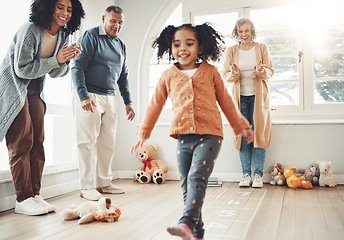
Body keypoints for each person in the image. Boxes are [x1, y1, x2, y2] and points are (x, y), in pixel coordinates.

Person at [130, 23, 254, 240]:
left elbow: (226, 103)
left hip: (210, 135)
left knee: (197, 177)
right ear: (171, 48)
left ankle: (186, 222)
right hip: (183, 138)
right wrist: (143, 131)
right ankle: (197, 232)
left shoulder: (211, 72)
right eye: (177, 44)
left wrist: (241, 126)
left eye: (189, 43)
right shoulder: (168, 75)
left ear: (201, 47)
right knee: (187, 185)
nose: (182, 48)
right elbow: (155, 105)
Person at [0, 0, 84, 216]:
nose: (65, 13)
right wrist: (56, 59)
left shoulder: (63, 36)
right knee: (22, 142)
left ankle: (35, 194)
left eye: (69, 9)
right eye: (60, 7)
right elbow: (21, 69)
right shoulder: (30, 30)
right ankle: (23, 198)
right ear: (48, 7)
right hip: (15, 88)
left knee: (38, 140)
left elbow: (55, 73)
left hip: (36, 88)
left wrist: (66, 60)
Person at [71, 6, 135, 201]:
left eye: (120, 22)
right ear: (104, 19)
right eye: (113, 21)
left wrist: (128, 102)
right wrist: (83, 96)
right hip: (90, 95)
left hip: (110, 97)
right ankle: (87, 186)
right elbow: (77, 67)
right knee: (87, 142)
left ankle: (104, 182)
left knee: (107, 142)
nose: (117, 25)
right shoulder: (90, 37)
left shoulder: (120, 45)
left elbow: (123, 76)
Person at [223, 18, 274, 188]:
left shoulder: (261, 48)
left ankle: (258, 175)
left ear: (252, 31)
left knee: (258, 134)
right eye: (240, 31)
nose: (243, 34)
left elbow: (270, 72)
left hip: (258, 98)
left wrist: (261, 70)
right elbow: (226, 76)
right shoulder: (231, 51)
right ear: (236, 33)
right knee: (243, 135)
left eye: (246, 31)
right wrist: (235, 73)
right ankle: (246, 174)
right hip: (240, 99)